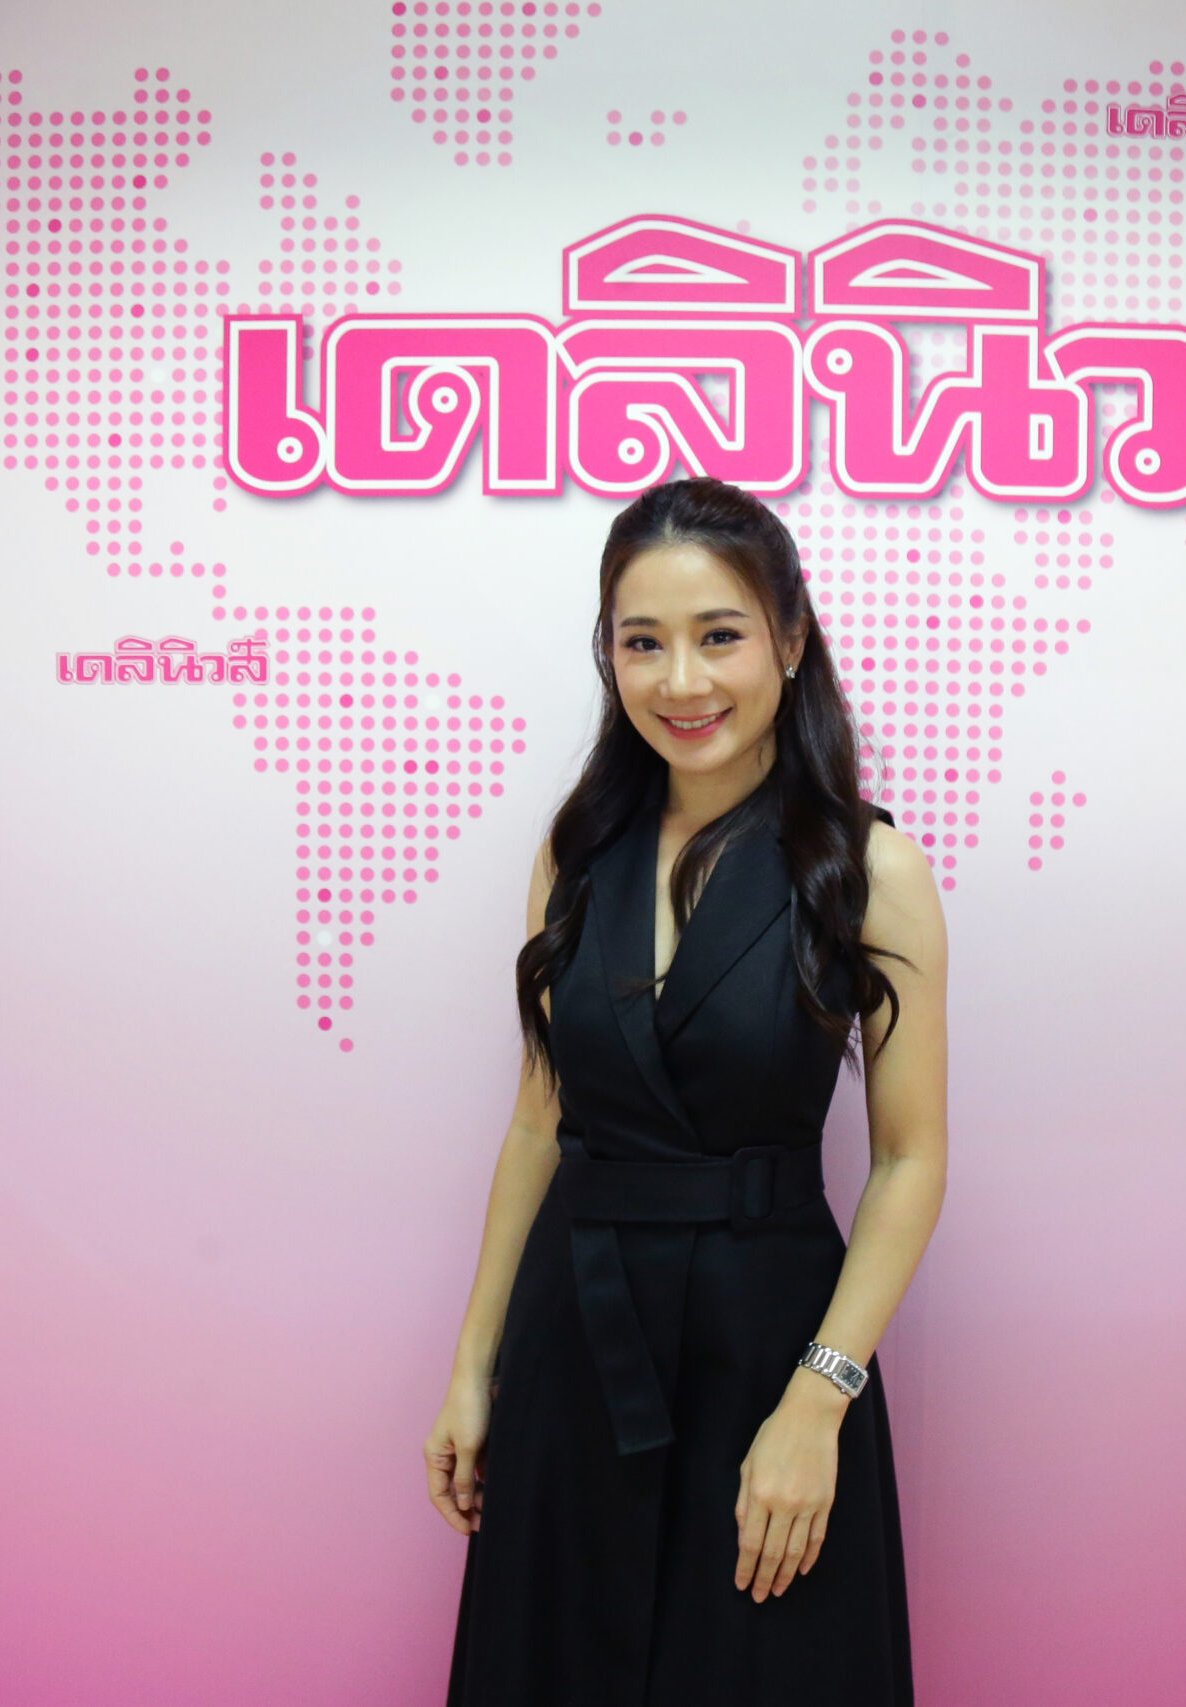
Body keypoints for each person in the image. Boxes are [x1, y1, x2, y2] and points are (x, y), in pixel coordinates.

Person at [423, 478, 948, 1706]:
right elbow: (538, 1125)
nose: (681, 681)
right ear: (607, 654)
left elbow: (908, 1158)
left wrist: (818, 1402)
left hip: (770, 1352)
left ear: (790, 639)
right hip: (572, 1339)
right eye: (641, 643)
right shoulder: (575, 854)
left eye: (718, 635)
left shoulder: (868, 868)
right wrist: (473, 1366)